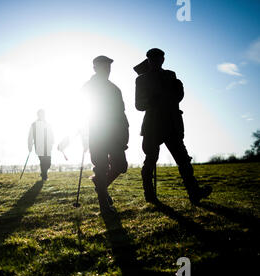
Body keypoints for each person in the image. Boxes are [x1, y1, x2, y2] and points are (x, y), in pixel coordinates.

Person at [135, 48, 212, 204]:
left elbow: (177, 98)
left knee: (183, 160)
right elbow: (138, 105)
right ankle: (149, 195)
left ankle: (194, 193)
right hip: (152, 126)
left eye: (158, 58)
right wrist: (152, 101)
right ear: (148, 60)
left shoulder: (170, 75)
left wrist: (178, 91)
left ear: (163, 60)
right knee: (150, 160)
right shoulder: (142, 79)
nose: (155, 61)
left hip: (171, 124)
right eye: (152, 59)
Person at [82, 56, 129, 213]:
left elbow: (121, 114)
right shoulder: (88, 87)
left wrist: (124, 133)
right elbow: (83, 111)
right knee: (101, 167)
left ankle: (101, 187)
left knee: (121, 165)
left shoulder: (115, 89)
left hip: (115, 134)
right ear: (95, 68)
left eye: (109, 68)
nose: (107, 71)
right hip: (97, 133)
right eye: (104, 67)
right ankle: (104, 206)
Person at [28, 109, 54, 180]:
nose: (42, 115)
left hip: (47, 146)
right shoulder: (34, 125)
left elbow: (51, 134)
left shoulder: (48, 124)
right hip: (39, 146)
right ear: (38, 115)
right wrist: (29, 146)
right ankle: (44, 177)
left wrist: (52, 142)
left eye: (43, 114)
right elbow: (30, 136)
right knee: (43, 161)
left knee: (48, 163)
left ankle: (43, 173)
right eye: (41, 114)